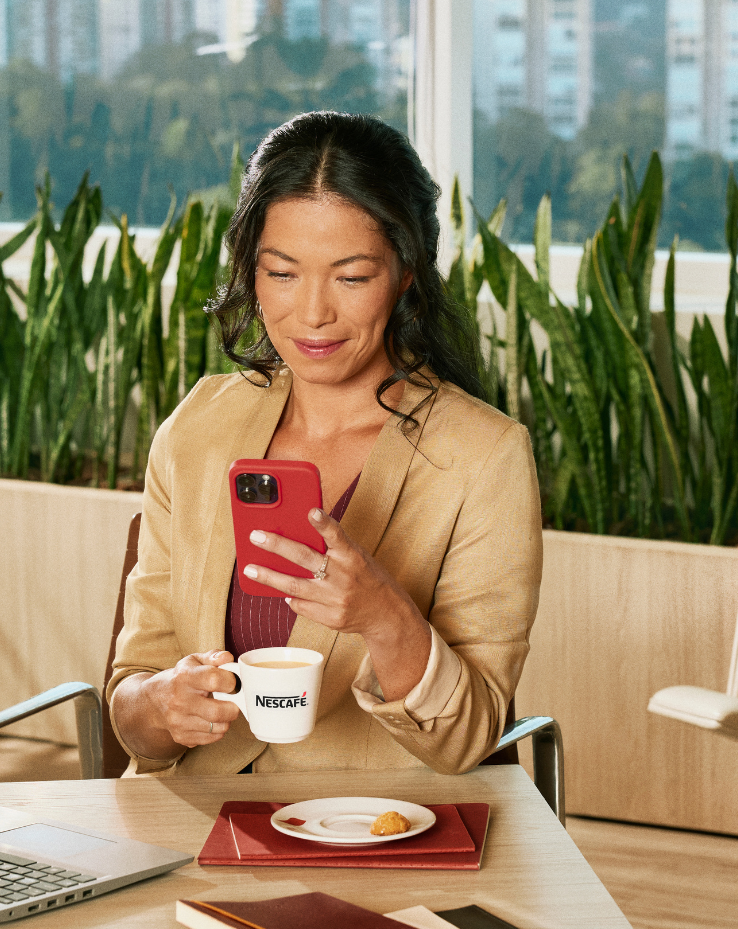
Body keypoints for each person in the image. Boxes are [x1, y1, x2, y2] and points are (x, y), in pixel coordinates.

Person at [106, 111, 543, 776]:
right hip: (193, 820)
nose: (312, 314)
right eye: (282, 273)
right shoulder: (198, 428)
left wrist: (384, 616)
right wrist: (164, 704)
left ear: (406, 273)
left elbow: (468, 739)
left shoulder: (485, 456)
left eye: (352, 277)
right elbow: (133, 697)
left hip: (375, 827)